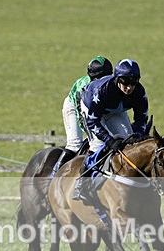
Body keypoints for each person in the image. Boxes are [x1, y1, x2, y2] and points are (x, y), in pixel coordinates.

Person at [72, 58, 149, 201]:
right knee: (98, 145)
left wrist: (137, 135)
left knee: (129, 141)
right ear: (117, 79)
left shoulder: (140, 92)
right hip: (91, 110)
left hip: (114, 109)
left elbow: (141, 119)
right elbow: (92, 121)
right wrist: (109, 140)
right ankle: (82, 184)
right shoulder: (102, 90)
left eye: (133, 83)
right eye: (125, 82)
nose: (129, 87)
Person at [54, 56, 113, 175]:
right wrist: (90, 135)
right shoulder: (83, 87)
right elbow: (83, 118)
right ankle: (53, 176)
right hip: (73, 106)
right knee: (74, 144)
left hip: (96, 109)